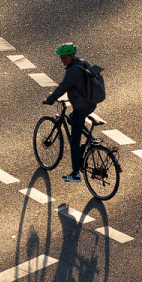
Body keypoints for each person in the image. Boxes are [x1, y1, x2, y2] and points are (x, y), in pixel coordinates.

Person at [41, 44, 93, 183]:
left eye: (64, 58)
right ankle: (90, 138)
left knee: (74, 141)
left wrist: (50, 100)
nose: (62, 60)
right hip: (90, 103)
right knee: (72, 118)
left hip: (81, 106)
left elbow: (63, 86)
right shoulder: (82, 63)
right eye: (61, 58)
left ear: (72, 56)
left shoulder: (72, 71)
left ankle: (75, 174)